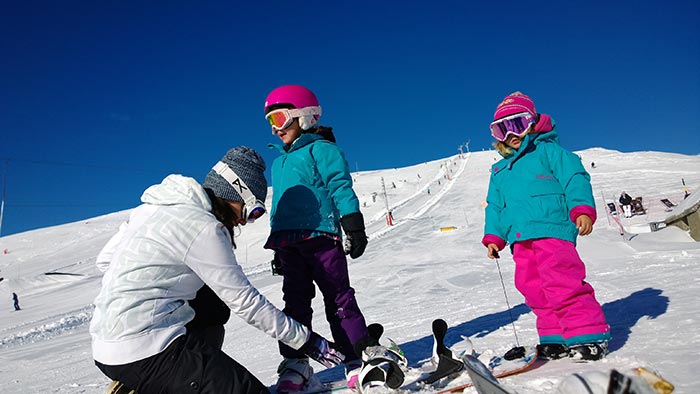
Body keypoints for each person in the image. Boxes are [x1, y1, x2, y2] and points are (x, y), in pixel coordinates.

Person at [89, 146, 344, 394]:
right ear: (237, 193)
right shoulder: (203, 227)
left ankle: (157, 381)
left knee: (212, 305)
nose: (245, 220)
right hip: (146, 349)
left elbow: (106, 261)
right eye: (252, 210)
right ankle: (158, 382)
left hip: (104, 347)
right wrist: (310, 343)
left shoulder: (151, 209)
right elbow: (246, 303)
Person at [482, 92, 610, 361]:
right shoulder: (499, 171)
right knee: (532, 288)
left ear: (533, 123)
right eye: (501, 129)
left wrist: (582, 210)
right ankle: (555, 335)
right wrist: (494, 237)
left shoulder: (550, 152)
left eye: (517, 124)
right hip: (520, 238)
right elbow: (495, 206)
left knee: (562, 281)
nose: (510, 135)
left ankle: (589, 333)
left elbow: (575, 179)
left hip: (553, 229)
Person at [263, 85, 374, 392]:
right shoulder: (279, 162)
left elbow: (340, 186)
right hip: (289, 244)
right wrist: (277, 242)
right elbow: (280, 206)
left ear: (305, 116)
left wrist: (352, 223)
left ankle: (354, 359)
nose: (275, 129)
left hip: (322, 237)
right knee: (294, 306)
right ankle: (296, 363)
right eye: (270, 122)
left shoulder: (322, 150)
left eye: (281, 118)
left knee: (338, 299)